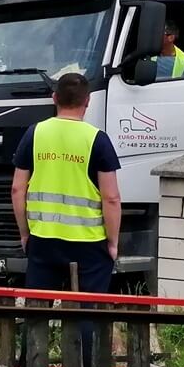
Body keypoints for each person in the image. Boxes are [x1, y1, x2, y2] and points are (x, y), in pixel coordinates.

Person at [12, 72, 122, 292]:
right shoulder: (98, 140)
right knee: (87, 312)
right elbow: (111, 198)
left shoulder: (34, 134)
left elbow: (17, 189)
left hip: (43, 238)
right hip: (89, 242)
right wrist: (112, 242)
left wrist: (25, 234)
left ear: (54, 98)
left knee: (37, 311)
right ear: (87, 101)